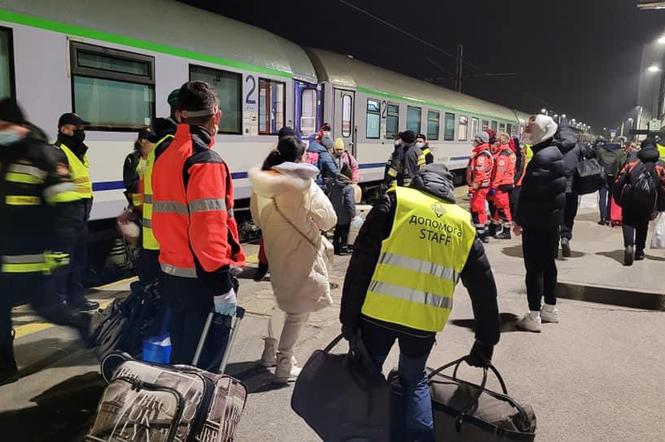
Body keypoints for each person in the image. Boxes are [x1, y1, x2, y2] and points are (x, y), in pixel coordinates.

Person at [340, 164, 500, 441]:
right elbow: (484, 288)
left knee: (365, 376)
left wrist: (348, 318)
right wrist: (486, 340)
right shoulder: (463, 223)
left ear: (419, 181)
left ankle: (358, 434)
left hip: (379, 313)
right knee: (415, 381)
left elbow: (361, 264)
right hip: (423, 322)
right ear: (449, 187)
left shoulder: (396, 201)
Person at [151, 81, 245, 369]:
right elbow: (209, 231)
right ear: (215, 116)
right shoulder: (205, 161)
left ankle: (177, 409)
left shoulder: (165, 155)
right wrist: (222, 287)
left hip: (172, 272)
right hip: (201, 280)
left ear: (180, 115)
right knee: (204, 363)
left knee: (182, 357)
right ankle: (194, 412)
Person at [0, 98, 92, 385]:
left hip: (35, 257)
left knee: (48, 309)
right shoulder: (4, 157)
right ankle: (5, 367)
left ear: (19, 126)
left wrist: (60, 253)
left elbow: (67, 209)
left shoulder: (44, 156)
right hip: (5, 256)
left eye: (4, 126)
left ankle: (79, 322)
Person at [249, 136, 336, 382]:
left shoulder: (262, 184)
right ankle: (285, 364)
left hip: (276, 249)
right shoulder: (305, 184)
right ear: (300, 158)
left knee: (281, 302)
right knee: (298, 311)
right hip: (302, 252)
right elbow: (329, 219)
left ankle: (269, 353)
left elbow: (257, 219)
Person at [513, 115, 566, 333]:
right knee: (549, 264)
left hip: (536, 222)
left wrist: (519, 221)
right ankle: (550, 309)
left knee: (534, 268)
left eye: (532, 128)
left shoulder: (542, 158)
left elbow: (529, 195)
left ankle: (533, 315)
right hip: (551, 221)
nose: (528, 132)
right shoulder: (554, 153)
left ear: (544, 132)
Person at [53, 112, 99, 311]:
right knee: (64, 261)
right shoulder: (57, 152)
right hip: (64, 216)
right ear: (64, 129)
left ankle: (76, 299)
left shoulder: (79, 152)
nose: (82, 133)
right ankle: (59, 301)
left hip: (80, 213)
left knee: (79, 260)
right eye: (77, 129)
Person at [139, 89, 180, 285]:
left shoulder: (161, 144)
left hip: (155, 235)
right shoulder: (170, 146)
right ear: (181, 114)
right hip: (164, 238)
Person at [254, 126, 300, 282]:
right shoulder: (289, 159)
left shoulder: (271, 157)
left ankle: (262, 266)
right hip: (283, 206)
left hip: (268, 205)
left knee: (267, 237)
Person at [613, 140, 665, 265]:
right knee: (643, 224)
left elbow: (620, 179)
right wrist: (661, 204)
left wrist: (617, 197)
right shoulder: (661, 164)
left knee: (628, 222)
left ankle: (629, 245)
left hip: (630, 198)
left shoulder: (632, 160)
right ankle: (639, 251)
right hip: (649, 200)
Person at [555, 123, 587, 257]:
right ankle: (565, 237)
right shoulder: (577, 145)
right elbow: (592, 155)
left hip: (555, 186)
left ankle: (553, 240)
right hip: (572, 186)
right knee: (569, 213)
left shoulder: (554, 145)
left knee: (555, 213)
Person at [488, 132, 516, 239]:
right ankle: (493, 227)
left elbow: (500, 172)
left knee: (503, 208)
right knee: (498, 207)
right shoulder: (510, 152)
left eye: (497, 141)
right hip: (508, 182)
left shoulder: (503, 156)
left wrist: (494, 186)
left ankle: (506, 231)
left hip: (502, 184)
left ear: (500, 142)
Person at [467, 131, 494, 241]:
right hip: (483, 187)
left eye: (476, 140)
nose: (474, 142)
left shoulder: (481, 156)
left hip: (479, 188)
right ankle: (485, 232)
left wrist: (472, 189)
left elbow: (479, 175)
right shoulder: (484, 153)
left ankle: (481, 234)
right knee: (482, 210)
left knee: (477, 210)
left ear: (480, 141)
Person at [123, 128, 155, 213]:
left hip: (155, 206)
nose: (153, 144)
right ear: (141, 141)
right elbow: (130, 184)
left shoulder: (158, 158)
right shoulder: (132, 159)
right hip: (138, 207)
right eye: (150, 140)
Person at [594, 138, 625, 226]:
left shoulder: (600, 150)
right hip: (614, 178)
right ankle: (609, 217)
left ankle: (602, 218)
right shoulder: (620, 152)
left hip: (602, 177)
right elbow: (622, 165)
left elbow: (597, 163)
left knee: (602, 197)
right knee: (612, 197)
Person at [329, 164, 356, 255]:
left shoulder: (334, 185)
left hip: (336, 212)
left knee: (337, 230)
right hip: (345, 214)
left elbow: (331, 197)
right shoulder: (349, 188)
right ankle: (343, 248)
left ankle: (335, 247)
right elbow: (350, 202)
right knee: (345, 231)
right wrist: (353, 214)